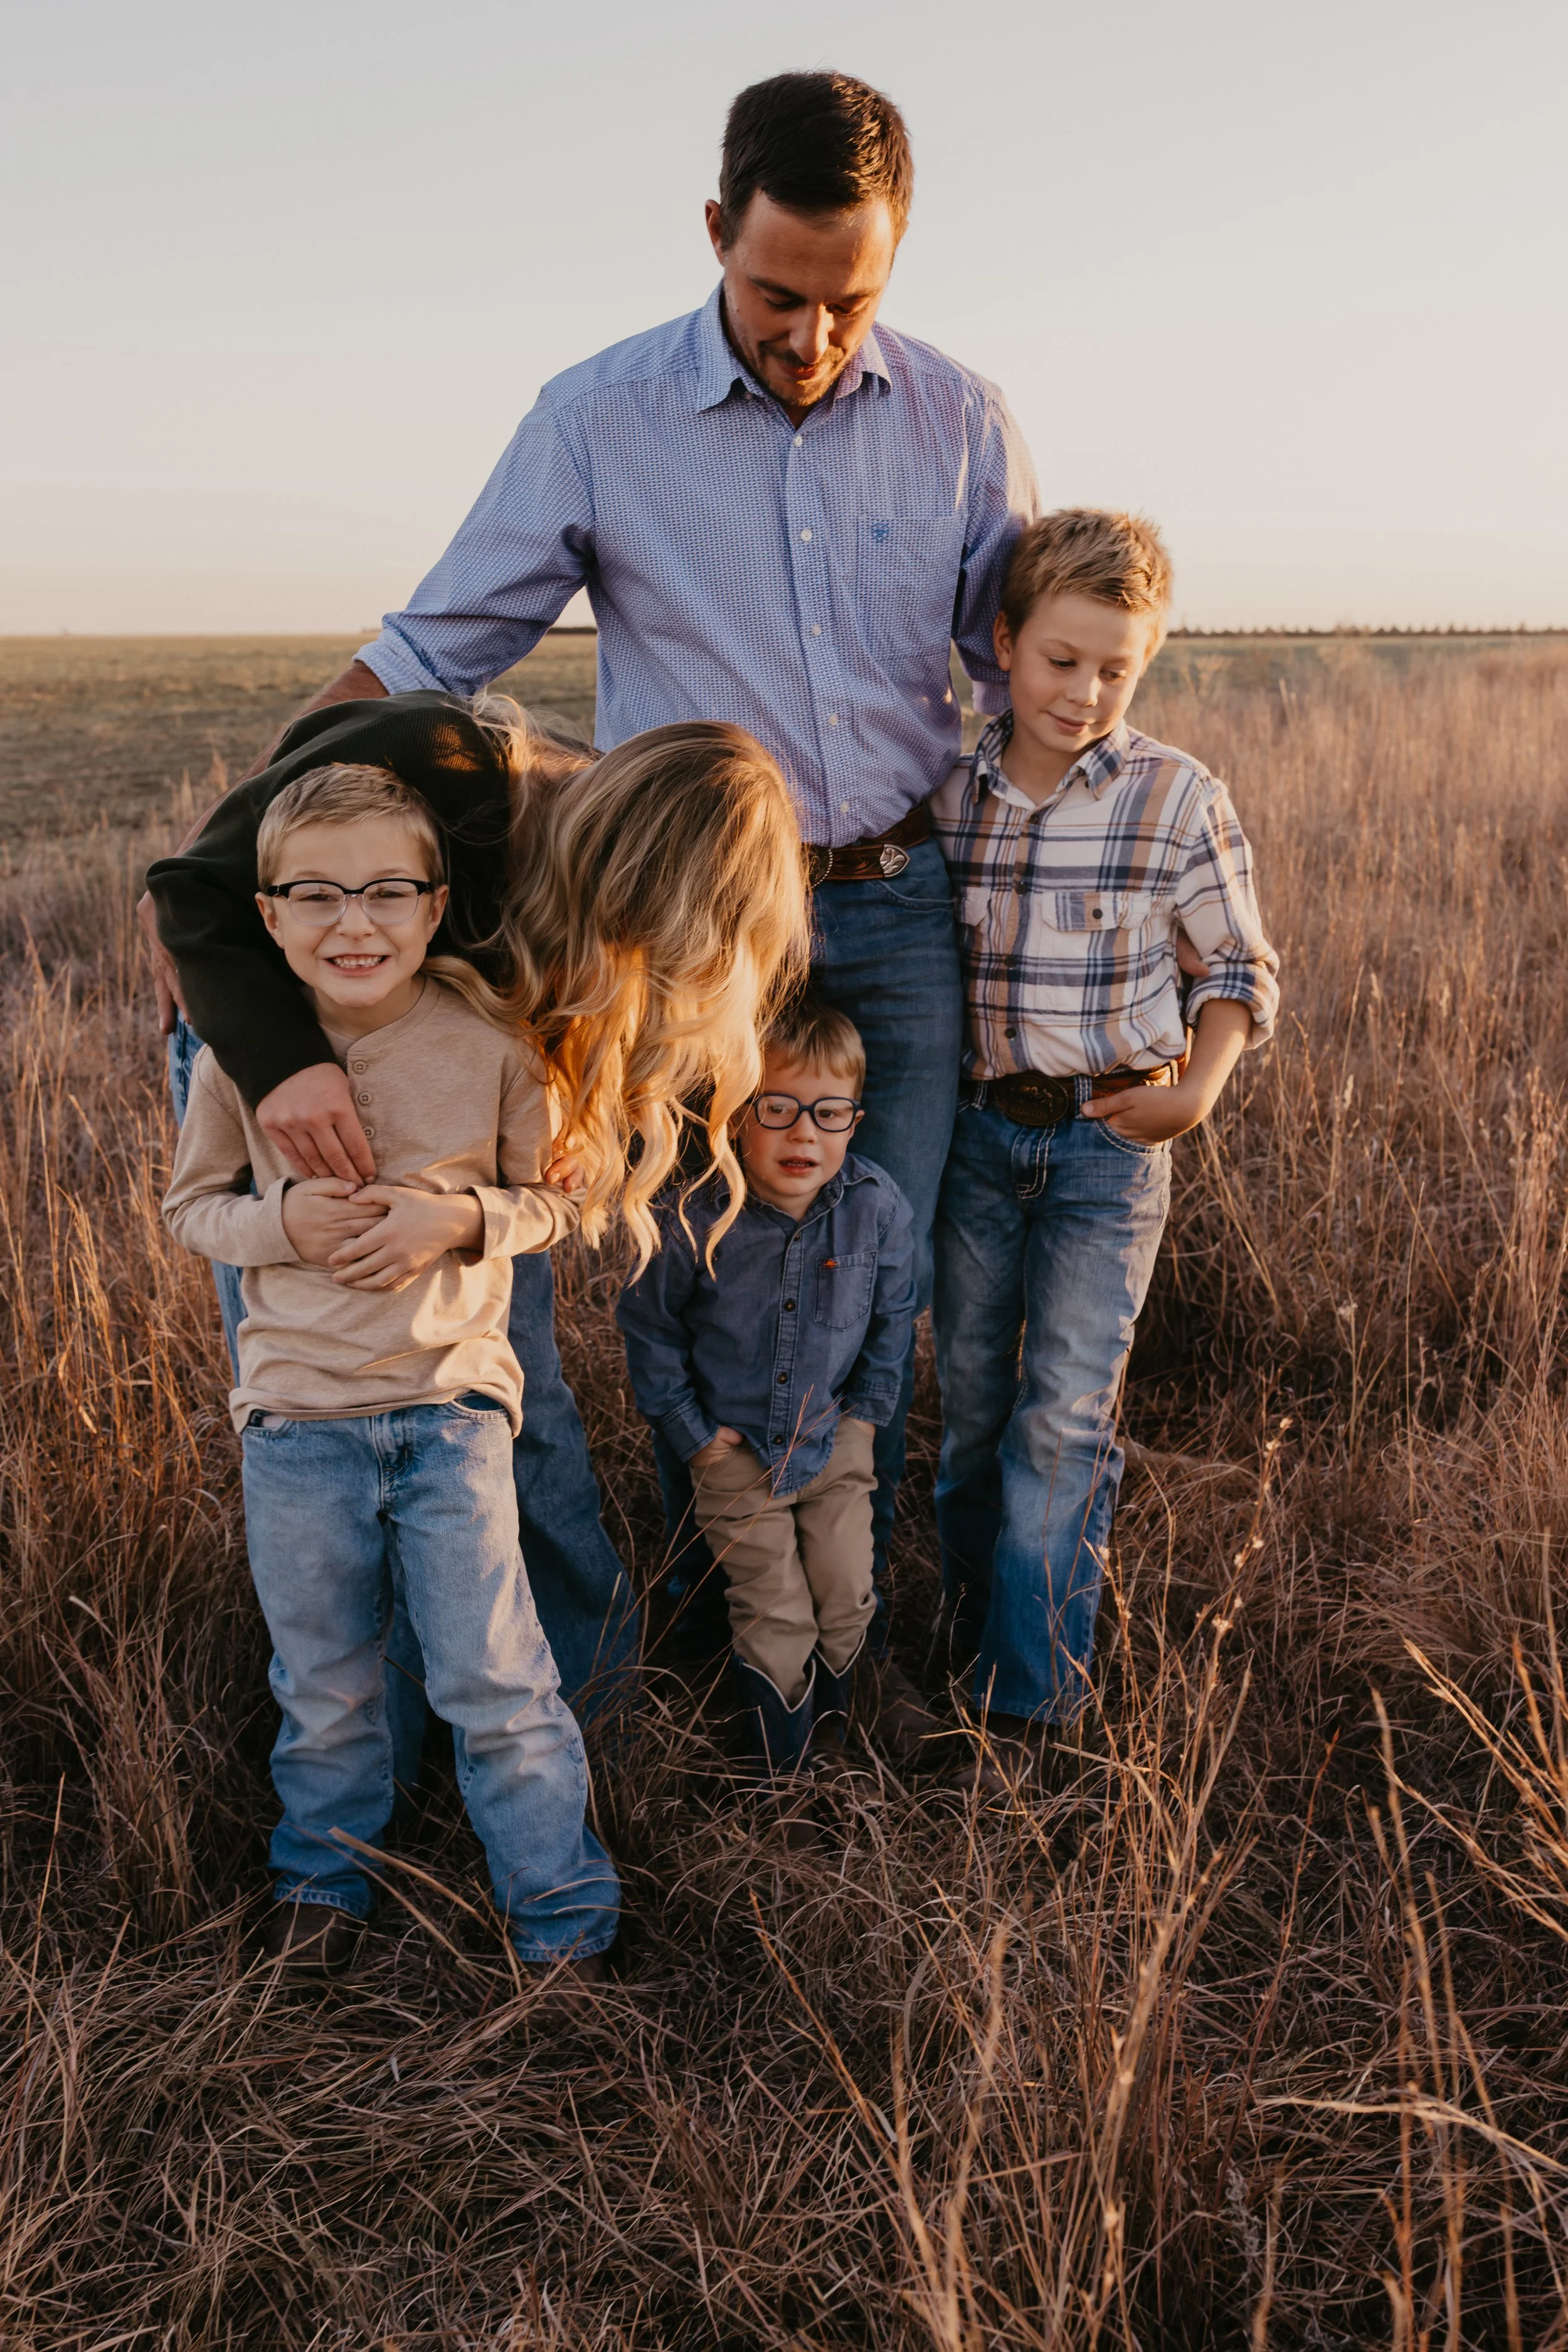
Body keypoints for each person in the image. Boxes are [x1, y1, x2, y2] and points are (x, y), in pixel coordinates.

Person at [139, 70, 1038, 1757]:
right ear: (714, 237)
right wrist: (274, 876)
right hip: (650, 932)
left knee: (862, 1280)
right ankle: (660, 1659)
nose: (813, 336)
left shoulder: (967, 418)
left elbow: (1034, 683)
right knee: (639, 1274)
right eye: (780, 295)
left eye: (855, 299)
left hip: (890, 910)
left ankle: (828, 1647)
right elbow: (427, 652)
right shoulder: (597, 412)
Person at [151, 705, 811, 1963]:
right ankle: (350, 1834)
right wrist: (288, 1076)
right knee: (323, 1504)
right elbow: (193, 893)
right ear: (603, 846)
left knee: (521, 1433)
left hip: (457, 1206)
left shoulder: (519, 1010)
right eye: (625, 926)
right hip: (293, 1104)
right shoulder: (443, 768)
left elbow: (553, 1150)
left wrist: (512, 1174)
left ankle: (559, 1797)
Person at [929, 511, 1280, 1788]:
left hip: (1107, 1146)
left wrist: (1196, 1086)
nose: (1081, 693)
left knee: (1065, 1417)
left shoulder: (1171, 793)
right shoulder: (945, 792)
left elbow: (1234, 959)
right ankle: (966, 1643)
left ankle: (1032, 1708)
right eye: (1059, 660)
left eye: (1113, 670)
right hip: (973, 1144)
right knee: (969, 1409)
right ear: (1005, 644)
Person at [617, 1000, 914, 1801]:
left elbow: (893, 1318)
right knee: (774, 1607)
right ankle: (784, 1778)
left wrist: (863, 1419)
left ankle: (841, 1744)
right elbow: (649, 1327)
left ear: (856, 1119)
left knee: (846, 1588)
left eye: (828, 1114)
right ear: (737, 1116)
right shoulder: (693, 1216)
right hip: (734, 1454)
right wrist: (692, 1434)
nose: (803, 1135)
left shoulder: (876, 1208)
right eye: (777, 1110)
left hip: (833, 1442)